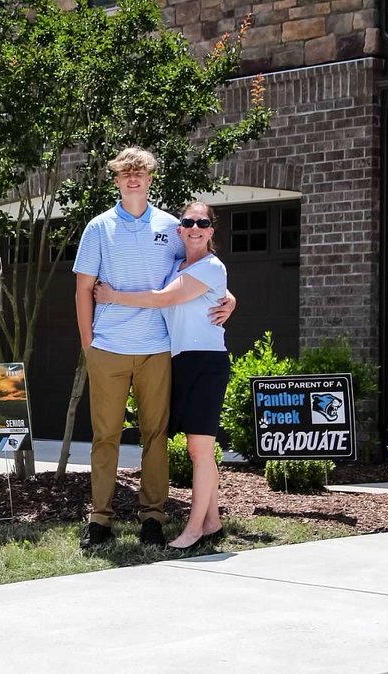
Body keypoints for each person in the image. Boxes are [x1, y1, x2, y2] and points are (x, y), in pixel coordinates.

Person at [72, 147, 234, 550]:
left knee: (156, 437)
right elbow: (82, 289)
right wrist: (87, 343)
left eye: (140, 173)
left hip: (158, 349)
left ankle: (153, 518)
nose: (133, 179)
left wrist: (231, 297)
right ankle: (101, 519)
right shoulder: (98, 228)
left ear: (149, 179)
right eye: (126, 174)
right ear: (116, 180)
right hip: (107, 347)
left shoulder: (171, 226)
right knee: (104, 436)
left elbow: (200, 268)